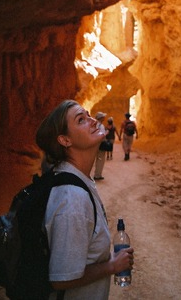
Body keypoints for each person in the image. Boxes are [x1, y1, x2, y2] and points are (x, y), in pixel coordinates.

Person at [36, 100, 134, 299]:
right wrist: (112, 266)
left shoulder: (78, 178)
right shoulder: (72, 199)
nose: (92, 121)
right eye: (81, 120)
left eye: (88, 115)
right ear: (65, 140)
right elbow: (60, 279)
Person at [93, 112, 107, 180]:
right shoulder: (101, 126)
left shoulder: (94, 124)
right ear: (101, 118)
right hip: (100, 144)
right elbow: (102, 135)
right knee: (100, 160)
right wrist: (106, 133)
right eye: (103, 117)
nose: (104, 118)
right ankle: (97, 175)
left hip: (94, 144)